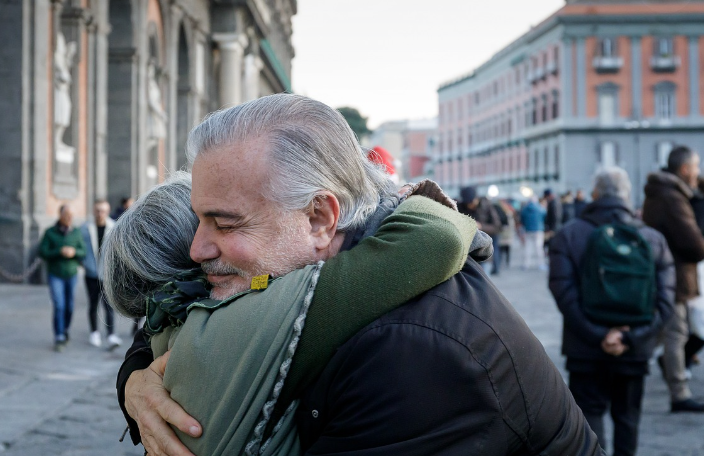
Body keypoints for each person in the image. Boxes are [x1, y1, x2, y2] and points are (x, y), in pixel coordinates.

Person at [117, 94, 603, 456]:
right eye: (199, 218)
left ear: (319, 219)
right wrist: (136, 382)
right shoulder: (283, 273)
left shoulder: (415, 352)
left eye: (225, 223)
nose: (197, 248)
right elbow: (179, 313)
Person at [103, 172, 479, 455]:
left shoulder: (176, 325)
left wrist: (132, 382)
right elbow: (435, 238)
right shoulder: (263, 314)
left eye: (224, 223)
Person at [549, 168, 675, 456]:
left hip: (584, 348)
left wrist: (599, 335)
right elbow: (666, 301)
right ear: (627, 196)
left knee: (589, 422)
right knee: (628, 419)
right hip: (634, 349)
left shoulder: (569, 235)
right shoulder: (653, 239)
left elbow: (563, 293)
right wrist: (630, 338)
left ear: (594, 194)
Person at [642, 145, 704, 412]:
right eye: (697, 167)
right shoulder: (672, 197)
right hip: (675, 274)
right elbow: (694, 244)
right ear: (685, 169)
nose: (699, 172)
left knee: (666, 331)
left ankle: (657, 369)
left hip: (667, 272)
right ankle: (679, 393)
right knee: (676, 332)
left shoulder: (664, 192)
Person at [38, 204, 86, 351]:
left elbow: (83, 251)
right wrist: (59, 251)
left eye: (71, 216)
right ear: (60, 215)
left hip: (71, 273)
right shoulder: (50, 232)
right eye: (67, 216)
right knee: (59, 305)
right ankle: (58, 335)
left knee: (70, 306)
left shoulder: (76, 232)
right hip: (56, 274)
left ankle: (65, 328)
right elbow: (42, 252)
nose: (69, 218)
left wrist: (74, 252)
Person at [81, 200, 122, 349]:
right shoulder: (85, 228)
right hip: (91, 273)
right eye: (98, 210)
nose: (100, 214)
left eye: (103, 211)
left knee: (109, 305)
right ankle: (94, 333)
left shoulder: (114, 227)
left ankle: (111, 334)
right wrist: (84, 263)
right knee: (93, 304)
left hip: (107, 273)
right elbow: (80, 248)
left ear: (108, 211)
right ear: (93, 211)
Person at [458, 186, 502, 274]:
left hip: (485, 246)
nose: (469, 205)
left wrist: (481, 226)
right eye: (467, 203)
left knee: (485, 275)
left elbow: (497, 226)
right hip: (469, 250)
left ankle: (496, 268)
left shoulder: (487, 205)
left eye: (471, 202)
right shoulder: (461, 207)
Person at [520, 196, 547, 270]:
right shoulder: (540, 208)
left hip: (528, 230)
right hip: (538, 230)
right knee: (539, 248)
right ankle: (541, 264)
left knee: (527, 248)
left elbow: (522, 220)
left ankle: (526, 264)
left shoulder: (525, 209)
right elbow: (545, 217)